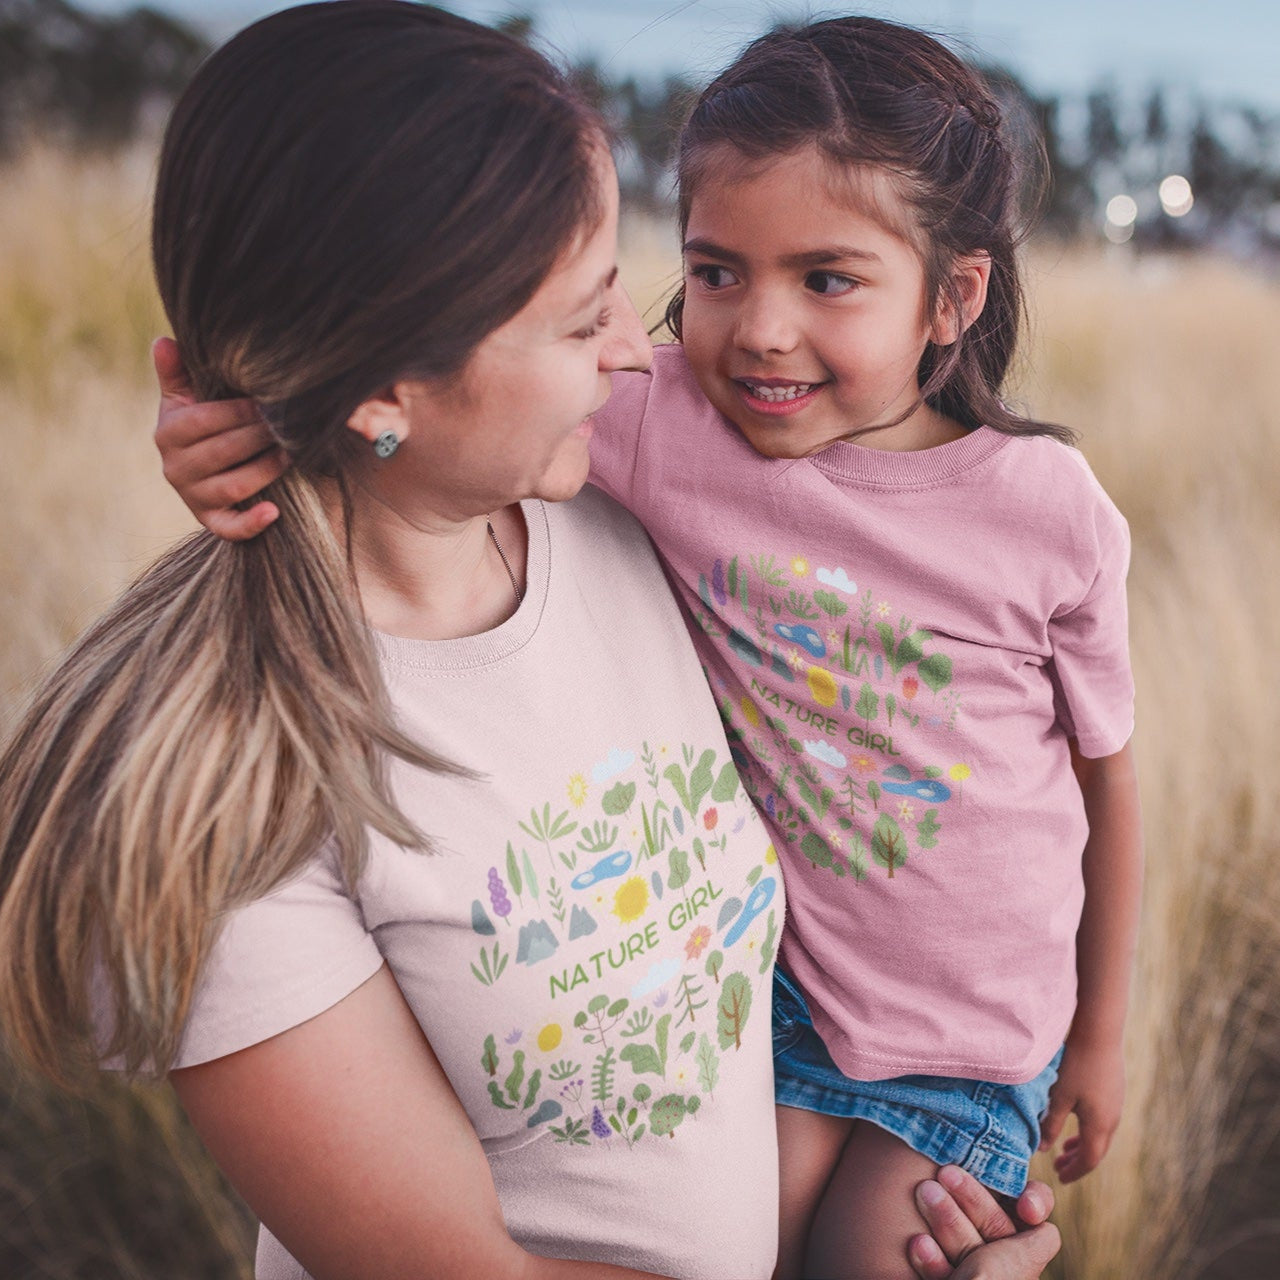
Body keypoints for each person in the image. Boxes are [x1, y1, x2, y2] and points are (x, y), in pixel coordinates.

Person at [0, 5, 1061, 1280]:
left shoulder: (621, 526)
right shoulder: (224, 790)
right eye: (576, 319)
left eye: (623, 282)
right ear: (382, 389)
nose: (637, 350)